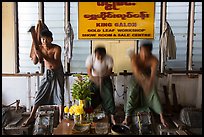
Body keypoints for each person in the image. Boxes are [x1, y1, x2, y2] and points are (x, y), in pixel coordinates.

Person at [22, 28, 64, 126]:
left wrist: (43, 56)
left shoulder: (57, 48)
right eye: (42, 39)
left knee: (59, 94)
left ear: (51, 39)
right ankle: (32, 116)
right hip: (47, 73)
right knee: (40, 93)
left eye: (46, 39)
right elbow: (36, 61)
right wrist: (37, 53)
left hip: (58, 72)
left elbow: (56, 63)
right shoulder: (40, 47)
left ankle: (61, 118)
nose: (44, 41)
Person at [122, 40, 167, 128]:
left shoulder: (154, 59)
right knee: (132, 92)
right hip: (136, 76)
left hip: (148, 76)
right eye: (142, 51)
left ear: (150, 52)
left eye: (146, 52)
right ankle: (127, 117)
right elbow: (137, 72)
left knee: (153, 93)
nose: (144, 55)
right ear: (140, 50)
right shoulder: (135, 58)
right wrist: (143, 82)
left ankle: (162, 117)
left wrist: (148, 84)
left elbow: (152, 75)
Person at [85, 46, 116, 125]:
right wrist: (94, 79)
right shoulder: (90, 58)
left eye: (101, 56)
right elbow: (89, 71)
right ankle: (89, 115)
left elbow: (109, 71)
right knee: (90, 96)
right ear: (95, 54)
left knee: (108, 96)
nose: (99, 57)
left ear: (104, 54)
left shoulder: (109, 58)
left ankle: (111, 116)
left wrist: (102, 78)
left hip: (105, 78)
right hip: (93, 78)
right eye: (98, 55)